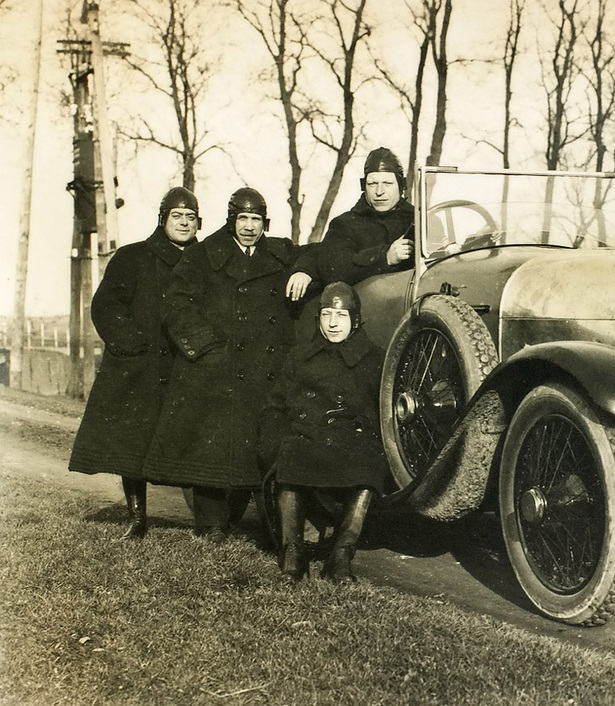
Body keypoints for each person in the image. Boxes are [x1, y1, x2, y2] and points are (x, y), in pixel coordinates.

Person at [143, 187, 306, 542]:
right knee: (211, 450)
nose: (249, 227)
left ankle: (270, 528)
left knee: (260, 448)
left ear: (266, 222)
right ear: (231, 219)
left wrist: (305, 271)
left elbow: (322, 257)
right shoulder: (202, 255)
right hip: (216, 369)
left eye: (256, 220)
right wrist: (204, 347)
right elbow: (176, 303)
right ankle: (212, 525)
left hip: (266, 370)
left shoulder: (281, 252)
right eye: (242, 219)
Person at [68, 186, 201, 539]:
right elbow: (105, 306)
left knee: (193, 440)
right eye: (177, 216)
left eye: (190, 217)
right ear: (163, 220)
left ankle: (208, 522)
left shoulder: (205, 261)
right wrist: (131, 342)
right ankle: (138, 519)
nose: (184, 223)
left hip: (186, 366)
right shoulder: (134, 257)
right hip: (142, 368)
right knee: (134, 444)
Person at [259, 281, 386, 584]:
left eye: (341, 317)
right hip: (305, 437)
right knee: (289, 454)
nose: (332, 323)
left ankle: (341, 557)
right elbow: (274, 406)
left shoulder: (375, 359)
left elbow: (382, 409)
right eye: (327, 314)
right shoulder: (300, 356)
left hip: (349, 441)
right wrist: (272, 441)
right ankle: (293, 555)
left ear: (355, 321)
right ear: (318, 318)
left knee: (369, 464)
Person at [286, 146, 414, 301]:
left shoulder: (418, 221)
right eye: (372, 184)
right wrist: (384, 257)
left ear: (401, 186)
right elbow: (333, 271)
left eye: (387, 183)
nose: (379, 191)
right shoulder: (345, 224)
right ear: (364, 186)